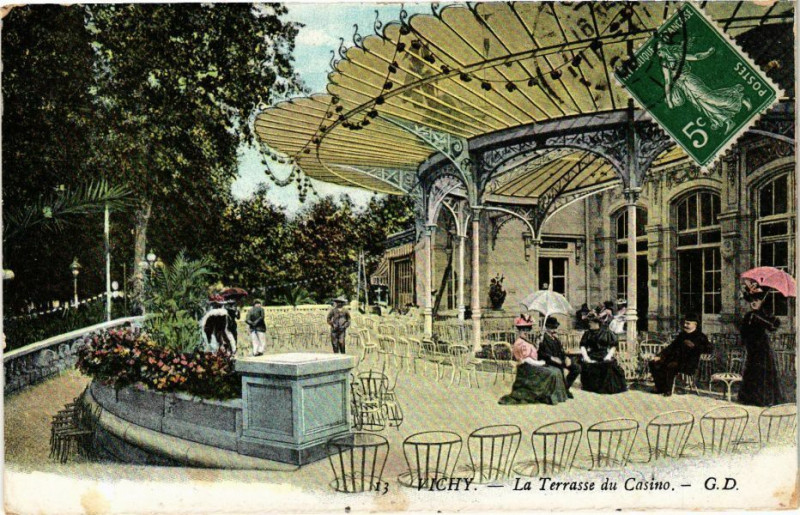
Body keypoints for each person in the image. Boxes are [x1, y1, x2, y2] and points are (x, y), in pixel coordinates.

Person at [499, 317, 569, 405]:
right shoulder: (519, 343)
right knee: (552, 373)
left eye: (528, 329)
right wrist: (540, 363)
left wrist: (538, 344)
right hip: (525, 368)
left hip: (532, 365)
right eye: (523, 330)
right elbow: (527, 359)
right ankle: (546, 396)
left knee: (557, 370)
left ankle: (556, 396)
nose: (526, 332)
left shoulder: (526, 341)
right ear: (518, 331)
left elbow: (534, 353)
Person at [738, 291, 786, 407]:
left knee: (763, 372)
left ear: (762, 302)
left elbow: (773, 326)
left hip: (762, 348)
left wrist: (761, 317)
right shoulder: (748, 315)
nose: (753, 303)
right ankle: (749, 398)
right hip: (751, 348)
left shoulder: (764, 314)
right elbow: (743, 331)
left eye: (757, 301)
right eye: (751, 301)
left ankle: (764, 399)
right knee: (751, 371)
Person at [648, 313, 711, 396]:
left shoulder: (701, 336)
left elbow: (709, 349)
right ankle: (660, 387)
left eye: (688, 323)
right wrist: (659, 356)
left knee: (671, 365)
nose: (685, 325)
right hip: (676, 360)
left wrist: (694, 346)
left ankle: (668, 390)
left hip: (689, 363)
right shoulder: (682, 335)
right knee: (653, 362)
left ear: (695, 324)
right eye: (685, 323)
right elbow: (671, 347)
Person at [579, 313, 627, 394]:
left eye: (590, 323)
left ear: (596, 323)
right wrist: (586, 357)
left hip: (604, 354)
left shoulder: (606, 332)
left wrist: (608, 356)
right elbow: (583, 346)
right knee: (589, 364)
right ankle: (592, 386)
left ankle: (606, 387)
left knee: (608, 365)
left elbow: (613, 346)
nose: (589, 324)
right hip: (592, 354)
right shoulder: (587, 333)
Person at [538, 317, 580, 398]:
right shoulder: (542, 338)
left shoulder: (556, 339)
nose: (554, 330)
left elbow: (561, 351)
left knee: (576, 368)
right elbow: (541, 353)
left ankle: (565, 388)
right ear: (547, 328)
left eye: (555, 327)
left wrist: (566, 357)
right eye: (552, 328)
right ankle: (563, 391)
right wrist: (552, 358)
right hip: (548, 361)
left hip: (560, 360)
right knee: (559, 369)